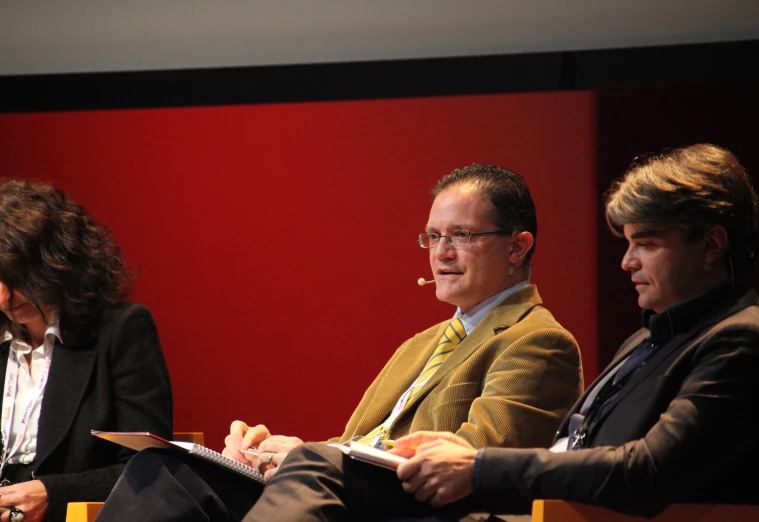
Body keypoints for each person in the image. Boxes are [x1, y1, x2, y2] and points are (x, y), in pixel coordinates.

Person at [245, 143, 759, 521]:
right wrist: (294, 451)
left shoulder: (743, 339)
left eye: (646, 243)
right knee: (188, 475)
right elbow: (578, 446)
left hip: (517, 513)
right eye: (432, 237)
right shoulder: (649, 339)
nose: (626, 262)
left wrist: (476, 466)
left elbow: (645, 473)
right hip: (531, 511)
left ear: (711, 247)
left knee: (314, 470)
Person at [94, 163, 583, 521]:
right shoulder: (423, 343)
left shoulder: (537, 340)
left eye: (461, 235)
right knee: (168, 467)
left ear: (517, 246)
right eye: (432, 237)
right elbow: (356, 448)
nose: (441, 254)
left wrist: (312, 460)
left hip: (422, 510)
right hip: (352, 497)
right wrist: (288, 453)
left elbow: (473, 459)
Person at [0, 179, 173, 522]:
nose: (4, 298)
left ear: (56, 263)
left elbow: (150, 465)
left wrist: (55, 494)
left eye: (16, 279)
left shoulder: (121, 330)